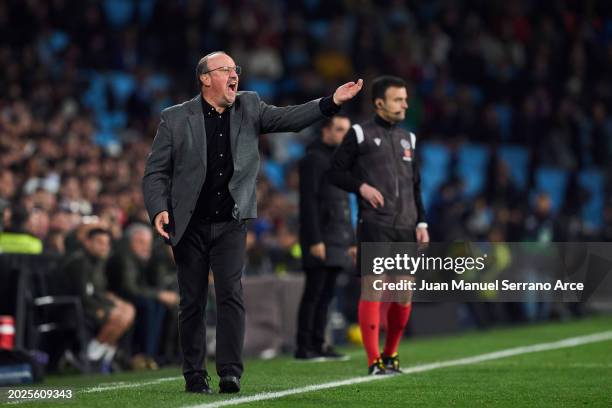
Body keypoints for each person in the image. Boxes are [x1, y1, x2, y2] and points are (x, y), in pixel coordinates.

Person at [142, 50, 362, 394]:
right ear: (205, 78)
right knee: (192, 301)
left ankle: (230, 372)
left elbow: (291, 118)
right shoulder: (175, 118)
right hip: (189, 225)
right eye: (226, 69)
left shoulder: (250, 106)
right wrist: (158, 209)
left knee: (231, 294)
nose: (235, 75)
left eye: (236, 70)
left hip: (231, 222)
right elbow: (155, 172)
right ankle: (194, 375)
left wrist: (331, 101)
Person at [328, 76, 429, 375]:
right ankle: (373, 360)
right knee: (374, 290)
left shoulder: (408, 139)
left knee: (403, 293)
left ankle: (391, 355)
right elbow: (335, 172)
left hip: (407, 226)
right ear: (380, 103)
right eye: (399, 100)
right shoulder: (359, 133)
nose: (405, 105)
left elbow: (416, 186)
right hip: (375, 223)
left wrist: (421, 221)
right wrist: (361, 187)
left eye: (406, 99)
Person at [295, 114, 355, 361]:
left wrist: (350, 240)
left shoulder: (339, 161)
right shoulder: (314, 159)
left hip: (338, 238)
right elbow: (308, 203)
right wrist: (315, 240)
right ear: (326, 131)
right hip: (321, 239)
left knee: (327, 294)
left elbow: (345, 204)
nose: (345, 135)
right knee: (314, 293)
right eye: (340, 129)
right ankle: (304, 346)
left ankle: (319, 343)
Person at [106, 223, 178, 370]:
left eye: (148, 243)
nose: (146, 247)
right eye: (140, 242)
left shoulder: (142, 259)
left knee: (159, 305)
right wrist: (159, 294)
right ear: (129, 242)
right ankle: (145, 355)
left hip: (134, 298)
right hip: (120, 299)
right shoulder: (124, 258)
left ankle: (153, 355)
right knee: (152, 304)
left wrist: (159, 296)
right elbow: (129, 289)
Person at [62, 228, 135, 373]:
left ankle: (100, 355)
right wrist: (102, 308)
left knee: (128, 310)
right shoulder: (79, 262)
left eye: (107, 243)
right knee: (118, 316)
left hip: (90, 304)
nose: (104, 247)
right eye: (100, 242)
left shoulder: (98, 263)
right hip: (73, 309)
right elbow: (82, 295)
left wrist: (113, 300)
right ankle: (90, 356)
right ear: (88, 243)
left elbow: (98, 292)